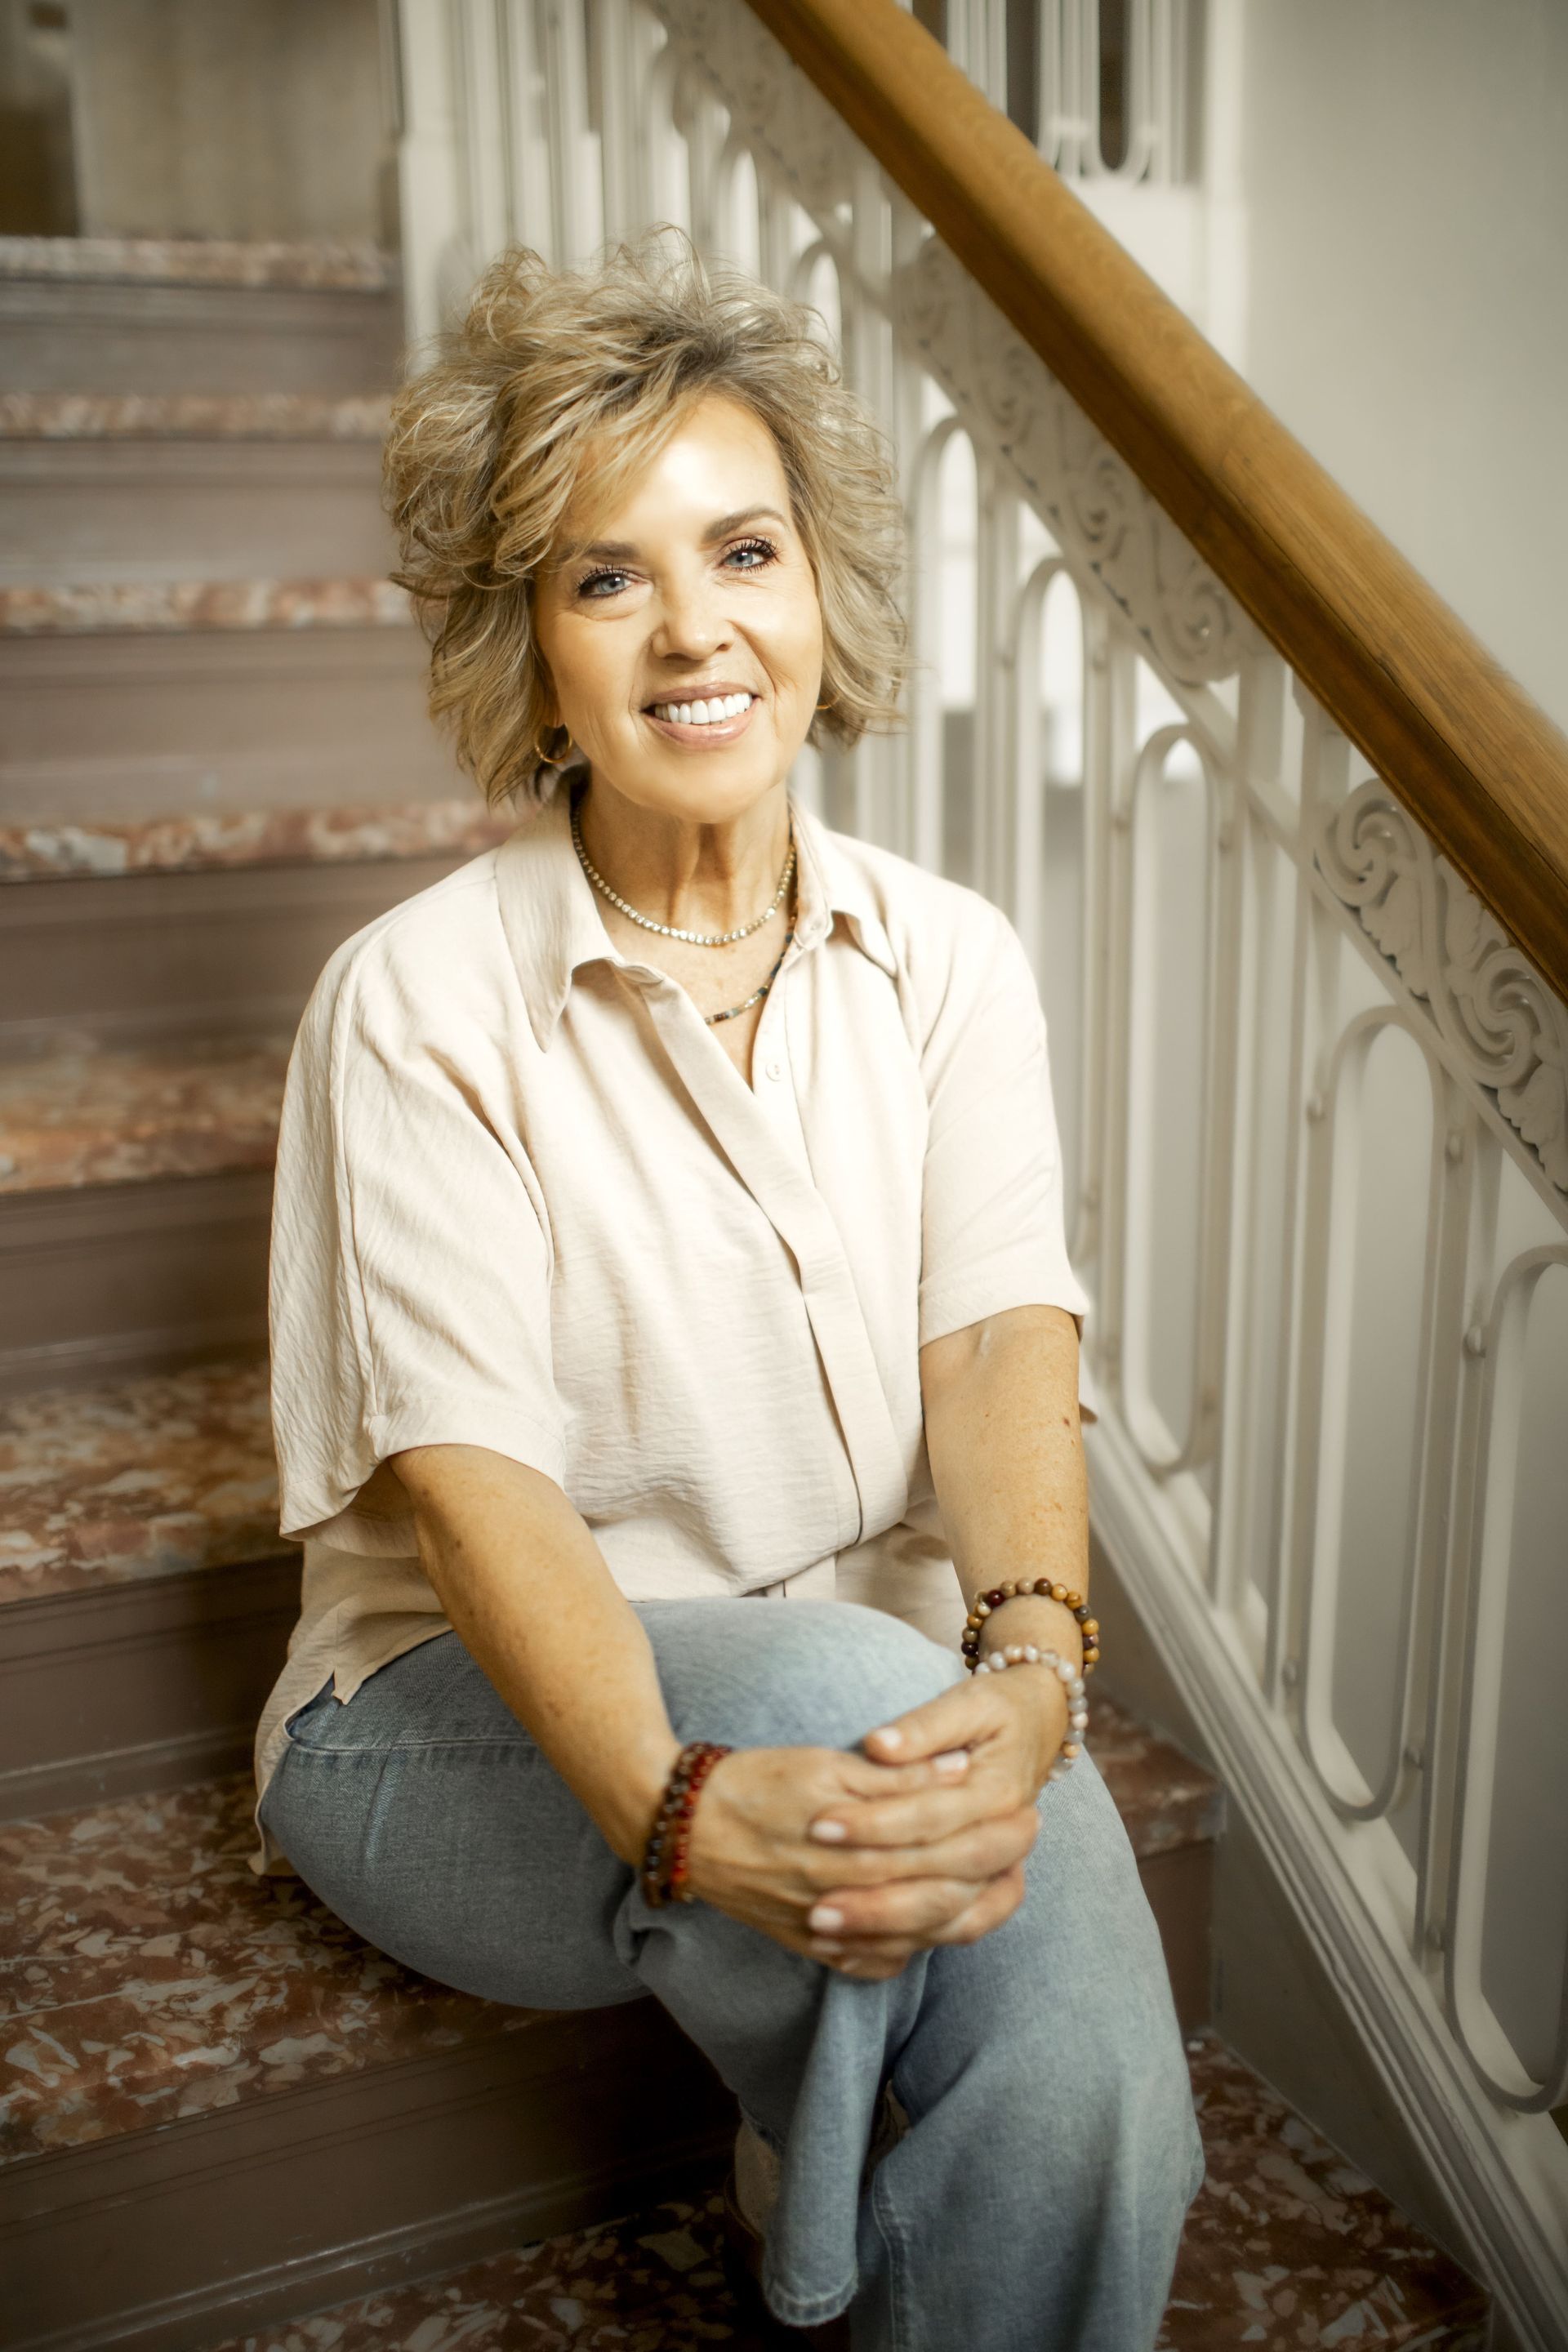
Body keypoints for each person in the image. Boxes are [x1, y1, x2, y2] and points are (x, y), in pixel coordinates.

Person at [253, 234, 1202, 2351]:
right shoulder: (415, 1001)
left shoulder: (945, 956)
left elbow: (994, 1346)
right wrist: (681, 1810)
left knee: (981, 1809)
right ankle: (850, 2129)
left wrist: (1039, 1664)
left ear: (815, 589)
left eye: (743, 550)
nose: (695, 628)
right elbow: (481, 1486)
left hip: (851, 1695)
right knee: (881, 1734)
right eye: (607, 577)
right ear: (538, 647)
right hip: (448, 1725)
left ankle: (848, 2106)